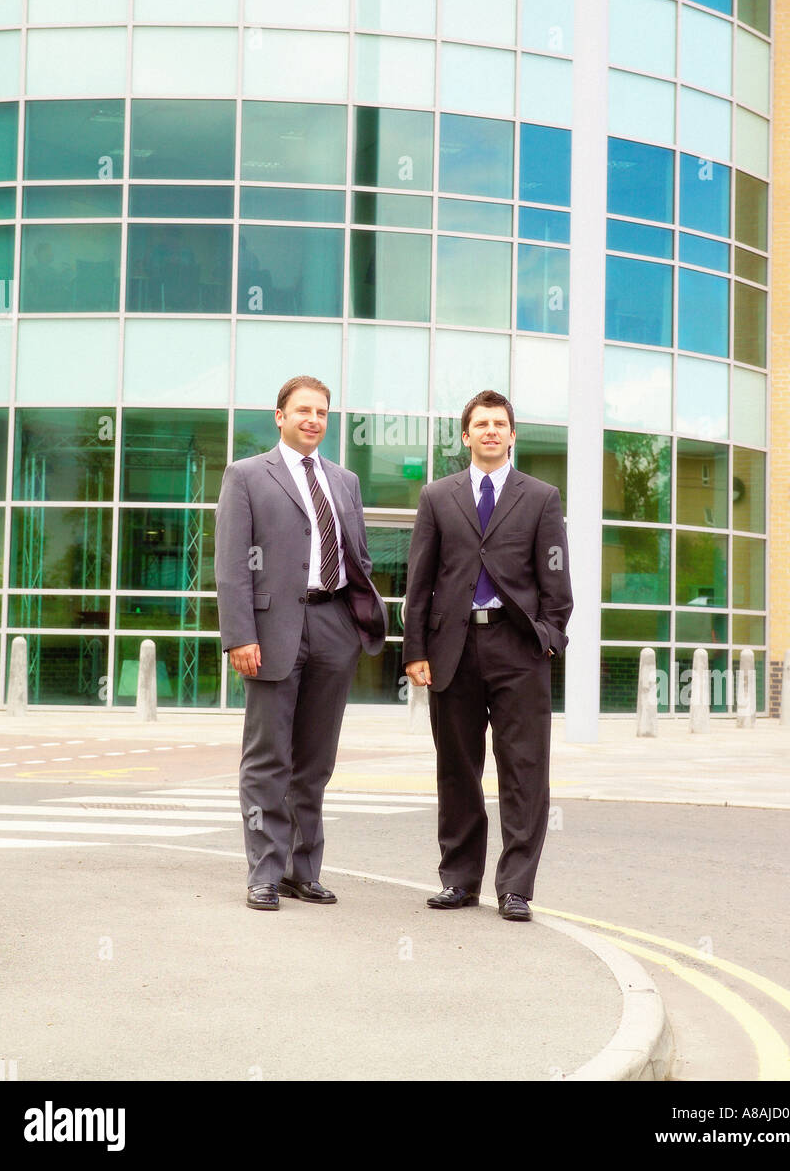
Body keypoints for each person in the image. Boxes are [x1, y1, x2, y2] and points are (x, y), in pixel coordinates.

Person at [215, 375, 387, 911]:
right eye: (303, 410)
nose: (313, 420)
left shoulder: (346, 480)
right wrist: (240, 634)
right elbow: (231, 563)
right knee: (268, 758)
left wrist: (360, 623)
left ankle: (302, 870)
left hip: (334, 625)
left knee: (315, 761)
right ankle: (264, 873)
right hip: (271, 632)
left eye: (322, 412)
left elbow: (357, 554)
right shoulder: (246, 476)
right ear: (280, 416)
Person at [403, 390, 573, 922]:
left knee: (524, 770)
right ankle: (459, 881)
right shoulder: (436, 496)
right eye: (481, 424)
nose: (491, 431)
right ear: (465, 435)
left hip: (518, 648)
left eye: (500, 424)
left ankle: (516, 887)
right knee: (457, 768)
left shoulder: (541, 497)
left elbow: (556, 579)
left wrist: (549, 636)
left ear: (512, 434)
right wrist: (415, 650)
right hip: (452, 648)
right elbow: (420, 579)